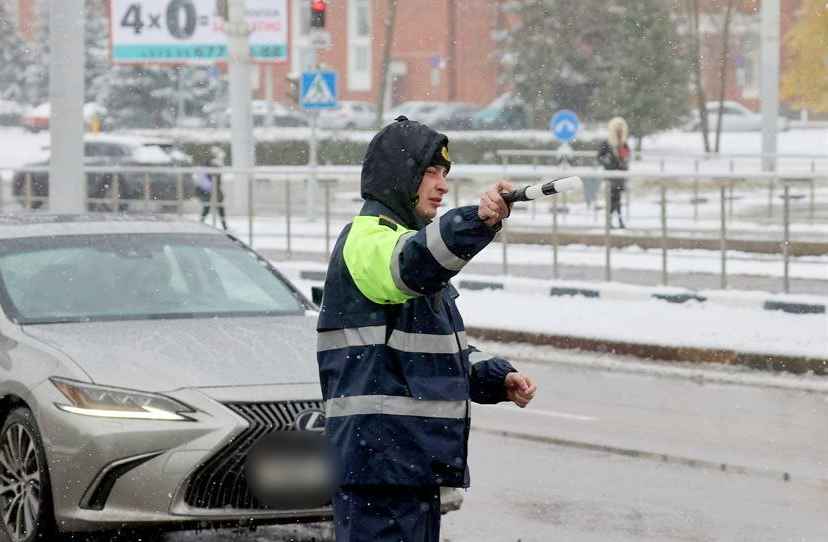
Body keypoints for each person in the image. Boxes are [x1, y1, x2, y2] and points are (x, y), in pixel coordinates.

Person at [316, 116, 537, 542]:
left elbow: (431, 349)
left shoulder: (406, 239)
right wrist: (479, 219)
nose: (441, 184)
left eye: (445, 174)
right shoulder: (368, 239)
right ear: (400, 176)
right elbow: (410, 266)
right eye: (430, 172)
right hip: (379, 468)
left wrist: (495, 377)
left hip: (404, 466)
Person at [597, 116, 631, 229]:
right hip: (611, 176)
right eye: (617, 129)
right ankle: (615, 221)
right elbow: (600, 157)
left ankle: (615, 221)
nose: (619, 131)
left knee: (617, 199)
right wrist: (609, 164)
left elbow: (626, 157)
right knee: (613, 199)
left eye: (621, 129)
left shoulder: (624, 143)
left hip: (620, 175)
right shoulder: (607, 143)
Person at [196, 145, 228, 230]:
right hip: (211, 189)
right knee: (213, 207)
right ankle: (224, 226)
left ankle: (223, 225)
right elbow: (211, 177)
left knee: (211, 207)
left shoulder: (210, 163)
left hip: (213, 189)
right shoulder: (213, 163)